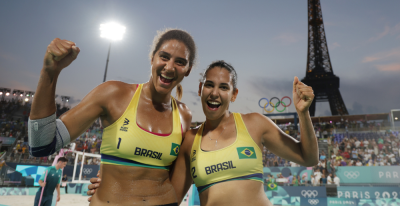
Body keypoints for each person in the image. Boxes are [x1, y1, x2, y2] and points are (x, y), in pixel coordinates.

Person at [89, 60, 318, 206]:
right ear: (200, 89)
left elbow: (308, 158)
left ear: (234, 94)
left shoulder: (255, 123)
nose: (215, 93)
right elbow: (172, 197)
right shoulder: (189, 140)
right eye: (209, 85)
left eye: (224, 87)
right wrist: (115, 187)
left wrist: (303, 114)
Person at [29, 29, 196, 206]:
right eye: (164, 57)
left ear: (187, 70)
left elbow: (175, 175)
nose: (169, 67)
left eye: (180, 62)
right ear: (152, 57)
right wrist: (49, 73)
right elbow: (41, 144)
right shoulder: (114, 94)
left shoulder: (184, 115)